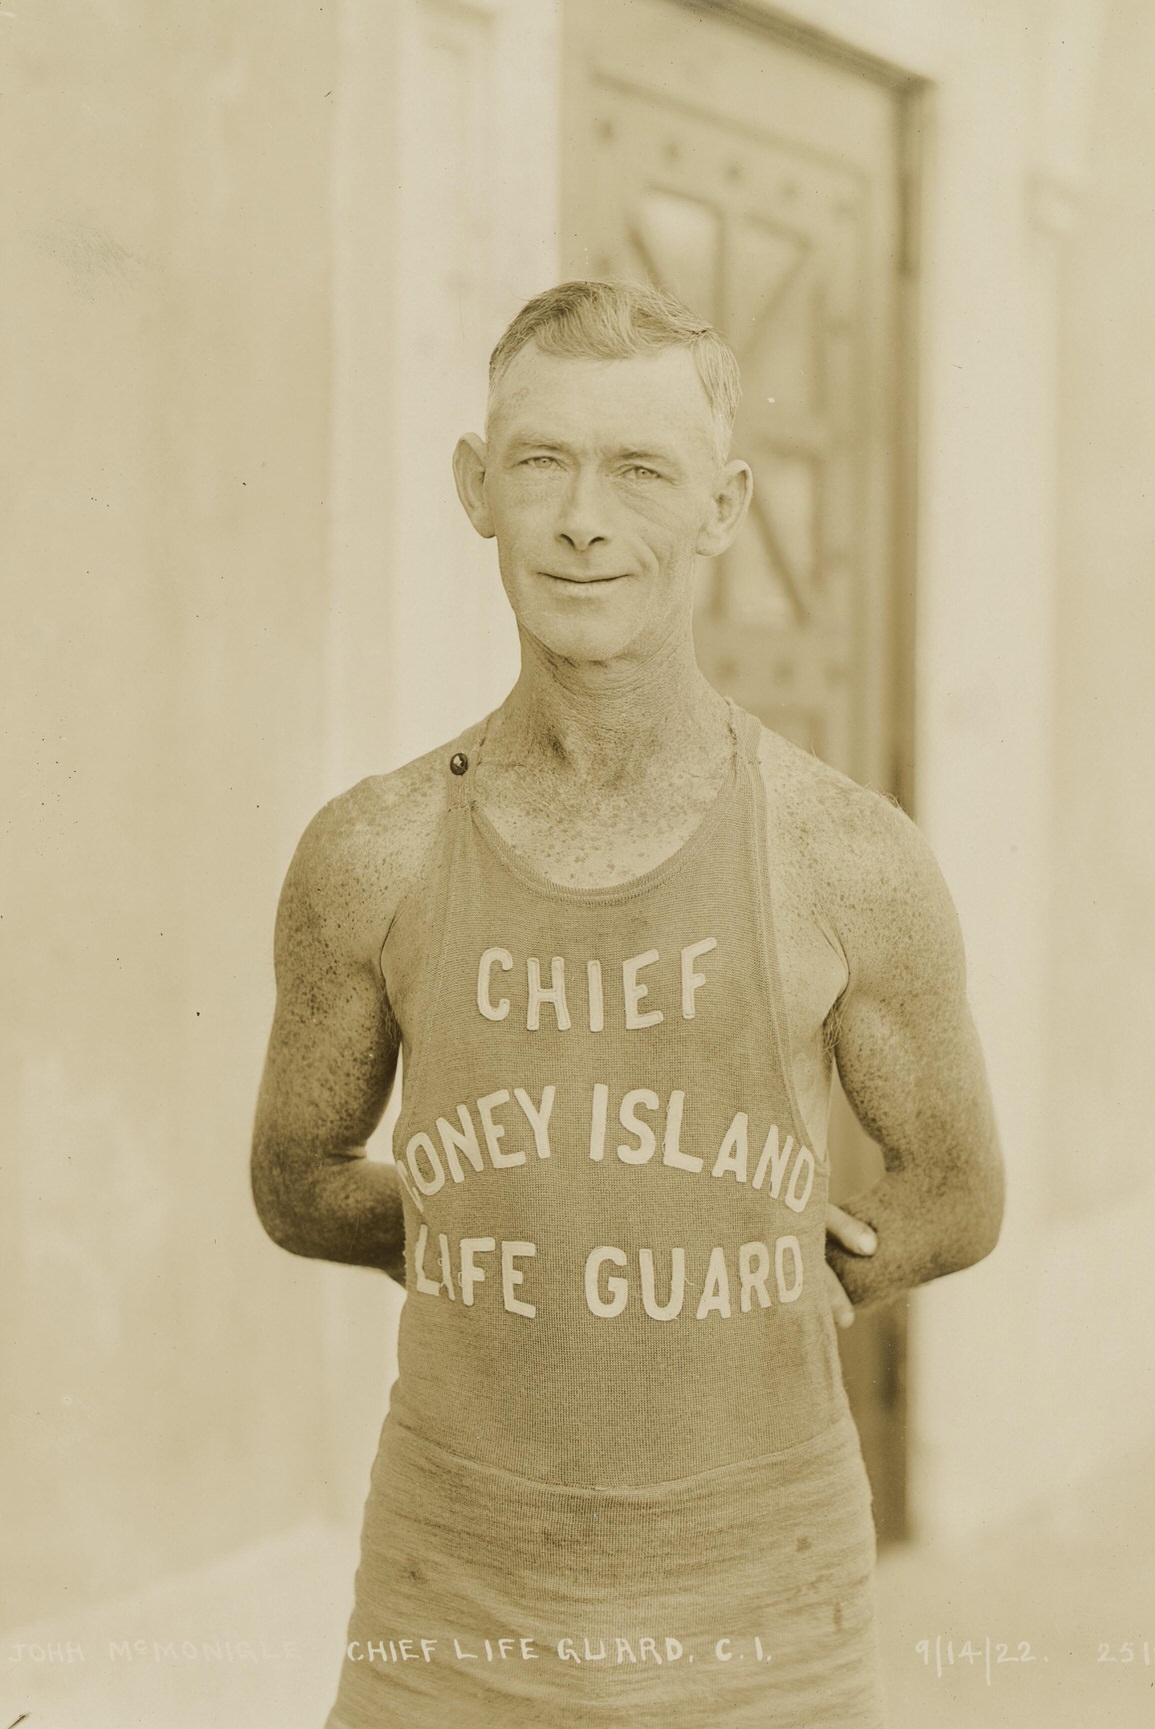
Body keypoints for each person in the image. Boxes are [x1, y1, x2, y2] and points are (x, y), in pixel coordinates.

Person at [250, 279, 1004, 1729]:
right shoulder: (377, 848)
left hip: (762, 1604)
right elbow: (296, 1178)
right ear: (478, 490)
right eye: (541, 462)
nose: (583, 518)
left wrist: (785, 1259)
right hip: (450, 1599)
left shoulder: (849, 854)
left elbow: (960, 1191)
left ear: (722, 508)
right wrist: (530, 1224)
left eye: (640, 471)